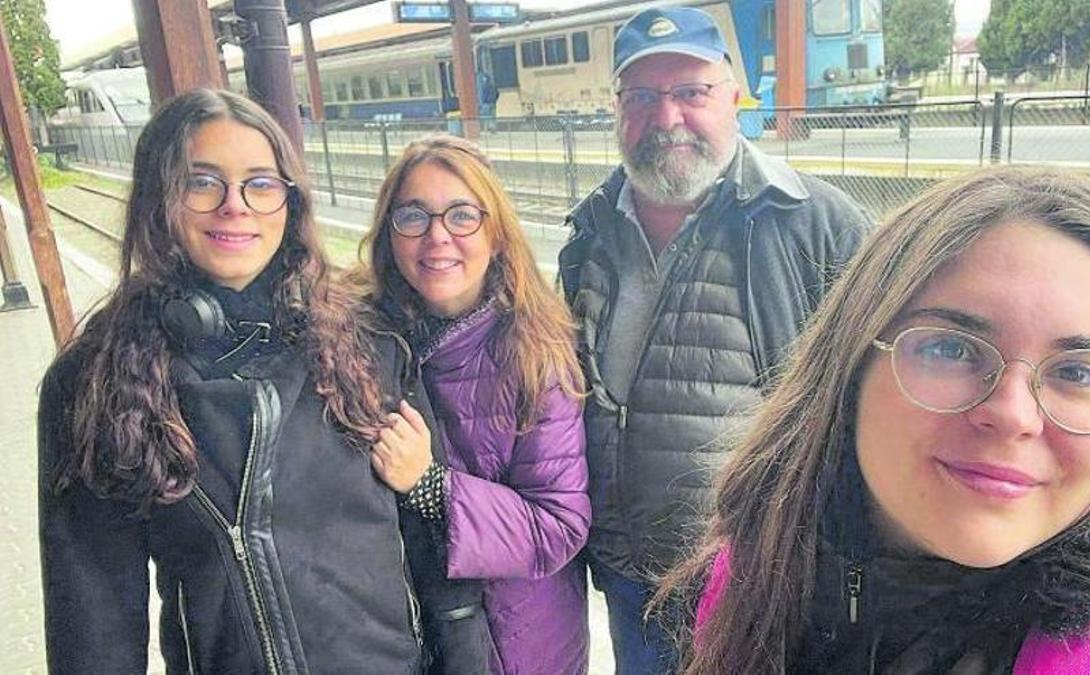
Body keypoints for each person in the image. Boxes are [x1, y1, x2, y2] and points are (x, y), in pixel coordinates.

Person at [664, 166, 1090, 673]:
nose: (1014, 416)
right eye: (951, 349)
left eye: (1078, 373)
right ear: (850, 365)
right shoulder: (744, 578)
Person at [37, 90, 486, 674]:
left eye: (260, 183)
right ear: (159, 197)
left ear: (288, 203)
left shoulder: (368, 342)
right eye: (202, 182)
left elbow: (436, 553)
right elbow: (93, 626)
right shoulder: (95, 382)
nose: (236, 206)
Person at [557, 6, 871, 671]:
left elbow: (872, 409)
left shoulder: (816, 225)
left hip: (756, 585)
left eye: (690, 92)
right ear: (617, 110)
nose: (666, 116)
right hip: (629, 579)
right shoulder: (589, 233)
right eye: (642, 97)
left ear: (733, 98)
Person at [361, 134, 592, 674]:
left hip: (515, 645)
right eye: (413, 216)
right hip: (402, 634)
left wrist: (429, 485)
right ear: (390, 232)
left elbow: (558, 524)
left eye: (462, 215)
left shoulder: (537, 355)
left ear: (496, 234)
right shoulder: (361, 339)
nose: (437, 236)